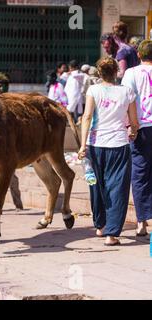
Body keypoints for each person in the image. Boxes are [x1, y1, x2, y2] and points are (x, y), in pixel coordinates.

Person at [78, 57, 139, 246]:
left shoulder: (93, 90)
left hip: (95, 146)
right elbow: (134, 121)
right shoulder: (127, 92)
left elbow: (87, 116)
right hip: (119, 146)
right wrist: (133, 132)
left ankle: (100, 226)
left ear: (99, 72)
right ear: (116, 72)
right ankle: (111, 235)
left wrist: (82, 144)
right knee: (117, 189)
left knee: (95, 185)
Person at [121, 40, 152, 237]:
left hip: (140, 127)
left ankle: (142, 222)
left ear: (139, 55)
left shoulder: (131, 73)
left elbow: (127, 100)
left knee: (140, 174)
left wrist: (130, 126)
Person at [0, 73, 24, 215]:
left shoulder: (12, 101)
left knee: (8, 177)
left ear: (6, 87)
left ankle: (16, 203)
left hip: (11, 143)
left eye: (1, 86)